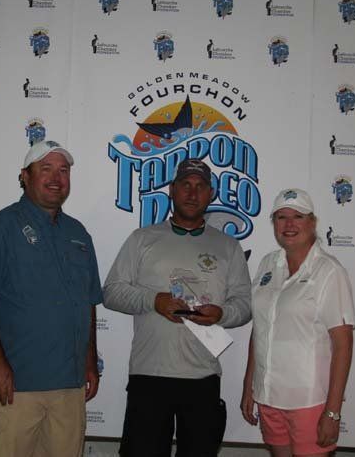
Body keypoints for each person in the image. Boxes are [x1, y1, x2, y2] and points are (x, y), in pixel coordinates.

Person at [0, 139, 102, 457]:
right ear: (25, 176)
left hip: (69, 386)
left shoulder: (79, 234)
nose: (56, 178)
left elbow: (87, 303)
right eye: (46, 169)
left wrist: (90, 360)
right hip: (15, 385)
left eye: (63, 170)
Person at [103, 159, 252, 457]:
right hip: (150, 376)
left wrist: (222, 314)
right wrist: (152, 301)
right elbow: (111, 293)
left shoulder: (228, 247)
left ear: (211, 193)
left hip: (202, 379)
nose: (192, 193)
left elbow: (245, 305)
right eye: (185, 185)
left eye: (200, 186)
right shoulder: (142, 239)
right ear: (172, 190)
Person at [241, 188, 355, 457]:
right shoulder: (269, 263)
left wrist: (333, 412)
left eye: (298, 216)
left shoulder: (329, 270)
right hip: (268, 396)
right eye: (281, 217)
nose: (289, 224)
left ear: (312, 222)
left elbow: (343, 344)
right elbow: (260, 329)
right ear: (273, 224)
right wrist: (249, 385)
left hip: (309, 401)